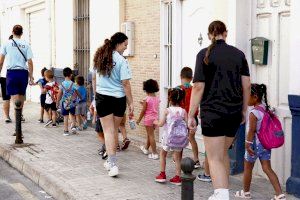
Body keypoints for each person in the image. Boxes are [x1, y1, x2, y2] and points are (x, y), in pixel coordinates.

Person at [188, 21, 251, 200]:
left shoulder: (203, 54)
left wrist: (191, 114)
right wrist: (244, 110)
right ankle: (222, 191)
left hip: (212, 113)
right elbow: (246, 86)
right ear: (226, 33)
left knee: (214, 157)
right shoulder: (239, 55)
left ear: (209, 35)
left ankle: (221, 195)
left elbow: (198, 86)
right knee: (222, 154)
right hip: (233, 113)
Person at [235, 84, 286, 200]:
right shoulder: (264, 108)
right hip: (265, 144)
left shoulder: (254, 113)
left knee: (248, 167)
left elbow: (251, 131)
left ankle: (246, 193)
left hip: (253, 145)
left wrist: (247, 144)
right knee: (267, 168)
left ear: (255, 97)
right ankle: (279, 194)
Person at [93, 32, 134, 177]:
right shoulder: (122, 61)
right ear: (119, 43)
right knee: (114, 130)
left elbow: (94, 78)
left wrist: (94, 97)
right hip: (118, 99)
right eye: (125, 45)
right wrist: (131, 103)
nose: (125, 48)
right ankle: (111, 162)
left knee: (108, 131)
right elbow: (125, 83)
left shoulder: (100, 57)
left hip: (103, 97)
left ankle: (113, 163)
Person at [0, 25, 34, 126]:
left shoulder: (6, 43)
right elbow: (30, 62)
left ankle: (17, 128)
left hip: (11, 73)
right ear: (22, 33)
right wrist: (31, 76)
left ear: (12, 32)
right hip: (23, 73)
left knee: (14, 99)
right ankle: (19, 123)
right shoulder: (26, 44)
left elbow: (1, 61)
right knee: (21, 98)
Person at [154, 88, 188, 186]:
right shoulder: (183, 111)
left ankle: (162, 175)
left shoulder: (167, 111)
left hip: (168, 138)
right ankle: (177, 177)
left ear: (170, 99)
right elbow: (187, 124)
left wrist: (155, 121)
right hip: (178, 138)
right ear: (181, 99)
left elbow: (160, 124)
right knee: (177, 158)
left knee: (163, 154)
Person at [137, 79, 160, 160]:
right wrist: (143, 104)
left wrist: (138, 120)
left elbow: (144, 110)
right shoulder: (157, 98)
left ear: (147, 89)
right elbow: (152, 107)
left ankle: (155, 153)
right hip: (155, 119)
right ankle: (146, 149)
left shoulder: (147, 99)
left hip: (148, 119)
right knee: (149, 135)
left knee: (151, 136)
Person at [57, 67, 80, 136]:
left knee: (66, 117)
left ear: (64, 75)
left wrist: (57, 102)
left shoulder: (62, 84)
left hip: (65, 103)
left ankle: (66, 131)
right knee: (72, 115)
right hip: (72, 102)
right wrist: (79, 98)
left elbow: (60, 94)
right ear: (71, 75)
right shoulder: (74, 84)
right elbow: (76, 93)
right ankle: (73, 127)